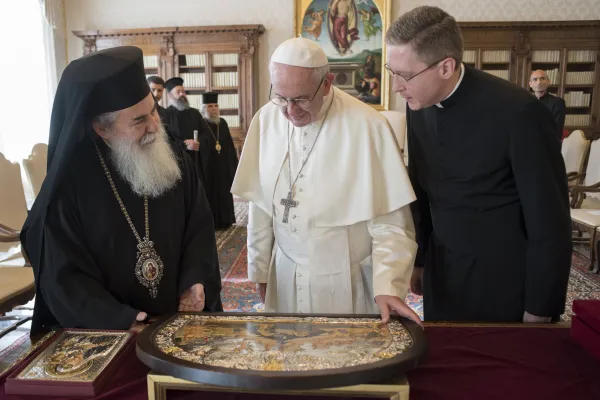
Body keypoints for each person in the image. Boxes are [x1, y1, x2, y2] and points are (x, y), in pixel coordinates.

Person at [385, 6, 571, 323]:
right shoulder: (418, 106)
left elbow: (549, 218)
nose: (395, 86)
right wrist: (419, 259)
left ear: (446, 67)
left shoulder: (519, 112)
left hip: (503, 282)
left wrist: (541, 306)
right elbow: (423, 189)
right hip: (443, 273)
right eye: (392, 72)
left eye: (403, 76)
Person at [20, 46, 223, 335]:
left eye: (152, 111)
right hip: (112, 333)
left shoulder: (174, 159)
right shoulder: (71, 186)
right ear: (102, 129)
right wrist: (116, 318)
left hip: (179, 320)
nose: (155, 127)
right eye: (139, 120)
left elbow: (199, 226)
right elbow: (62, 273)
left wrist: (195, 280)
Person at [231, 38, 421, 325]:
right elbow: (260, 205)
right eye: (281, 98)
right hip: (284, 273)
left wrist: (388, 285)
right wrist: (258, 269)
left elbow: (391, 223)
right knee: (286, 357)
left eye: (302, 99)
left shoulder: (367, 126)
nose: (290, 112)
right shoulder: (267, 119)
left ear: (328, 83)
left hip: (347, 279)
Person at [199, 92, 238, 230]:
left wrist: (233, 168)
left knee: (224, 193)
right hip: (208, 167)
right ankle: (212, 222)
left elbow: (229, 147)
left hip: (222, 167)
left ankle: (226, 220)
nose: (214, 109)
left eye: (216, 105)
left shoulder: (223, 123)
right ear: (203, 108)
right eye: (210, 106)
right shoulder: (200, 124)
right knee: (210, 195)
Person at [164, 77, 204, 180]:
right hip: (176, 163)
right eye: (178, 92)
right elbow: (165, 140)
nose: (182, 94)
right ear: (170, 95)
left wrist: (197, 142)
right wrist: (185, 144)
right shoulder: (165, 115)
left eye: (183, 91)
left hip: (196, 162)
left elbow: (206, 134)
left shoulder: (195, 113)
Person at [529, 69, 566, 141]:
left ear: (548, 82)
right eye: (535, 79)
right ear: (530, 84)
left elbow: (556, 131)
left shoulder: (558, 103)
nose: (539, 82)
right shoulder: (526, 102)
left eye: (542, 78)